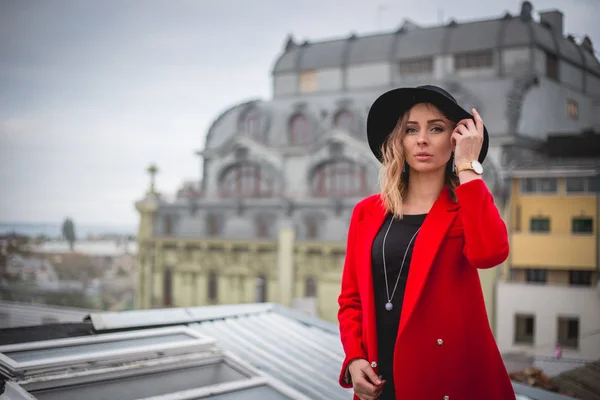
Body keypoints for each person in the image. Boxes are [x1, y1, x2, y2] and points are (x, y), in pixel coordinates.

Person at [337, 85, 515, 400]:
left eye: (436, 128)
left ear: (456, 139)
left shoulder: (469, 206)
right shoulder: (367, 212)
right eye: (411, 129)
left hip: (447, 378)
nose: (422, 139)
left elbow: (490, 254)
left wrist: (468, 167)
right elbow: (351, 300)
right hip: (379, 381)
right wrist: (354, 357)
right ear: (398, 140)